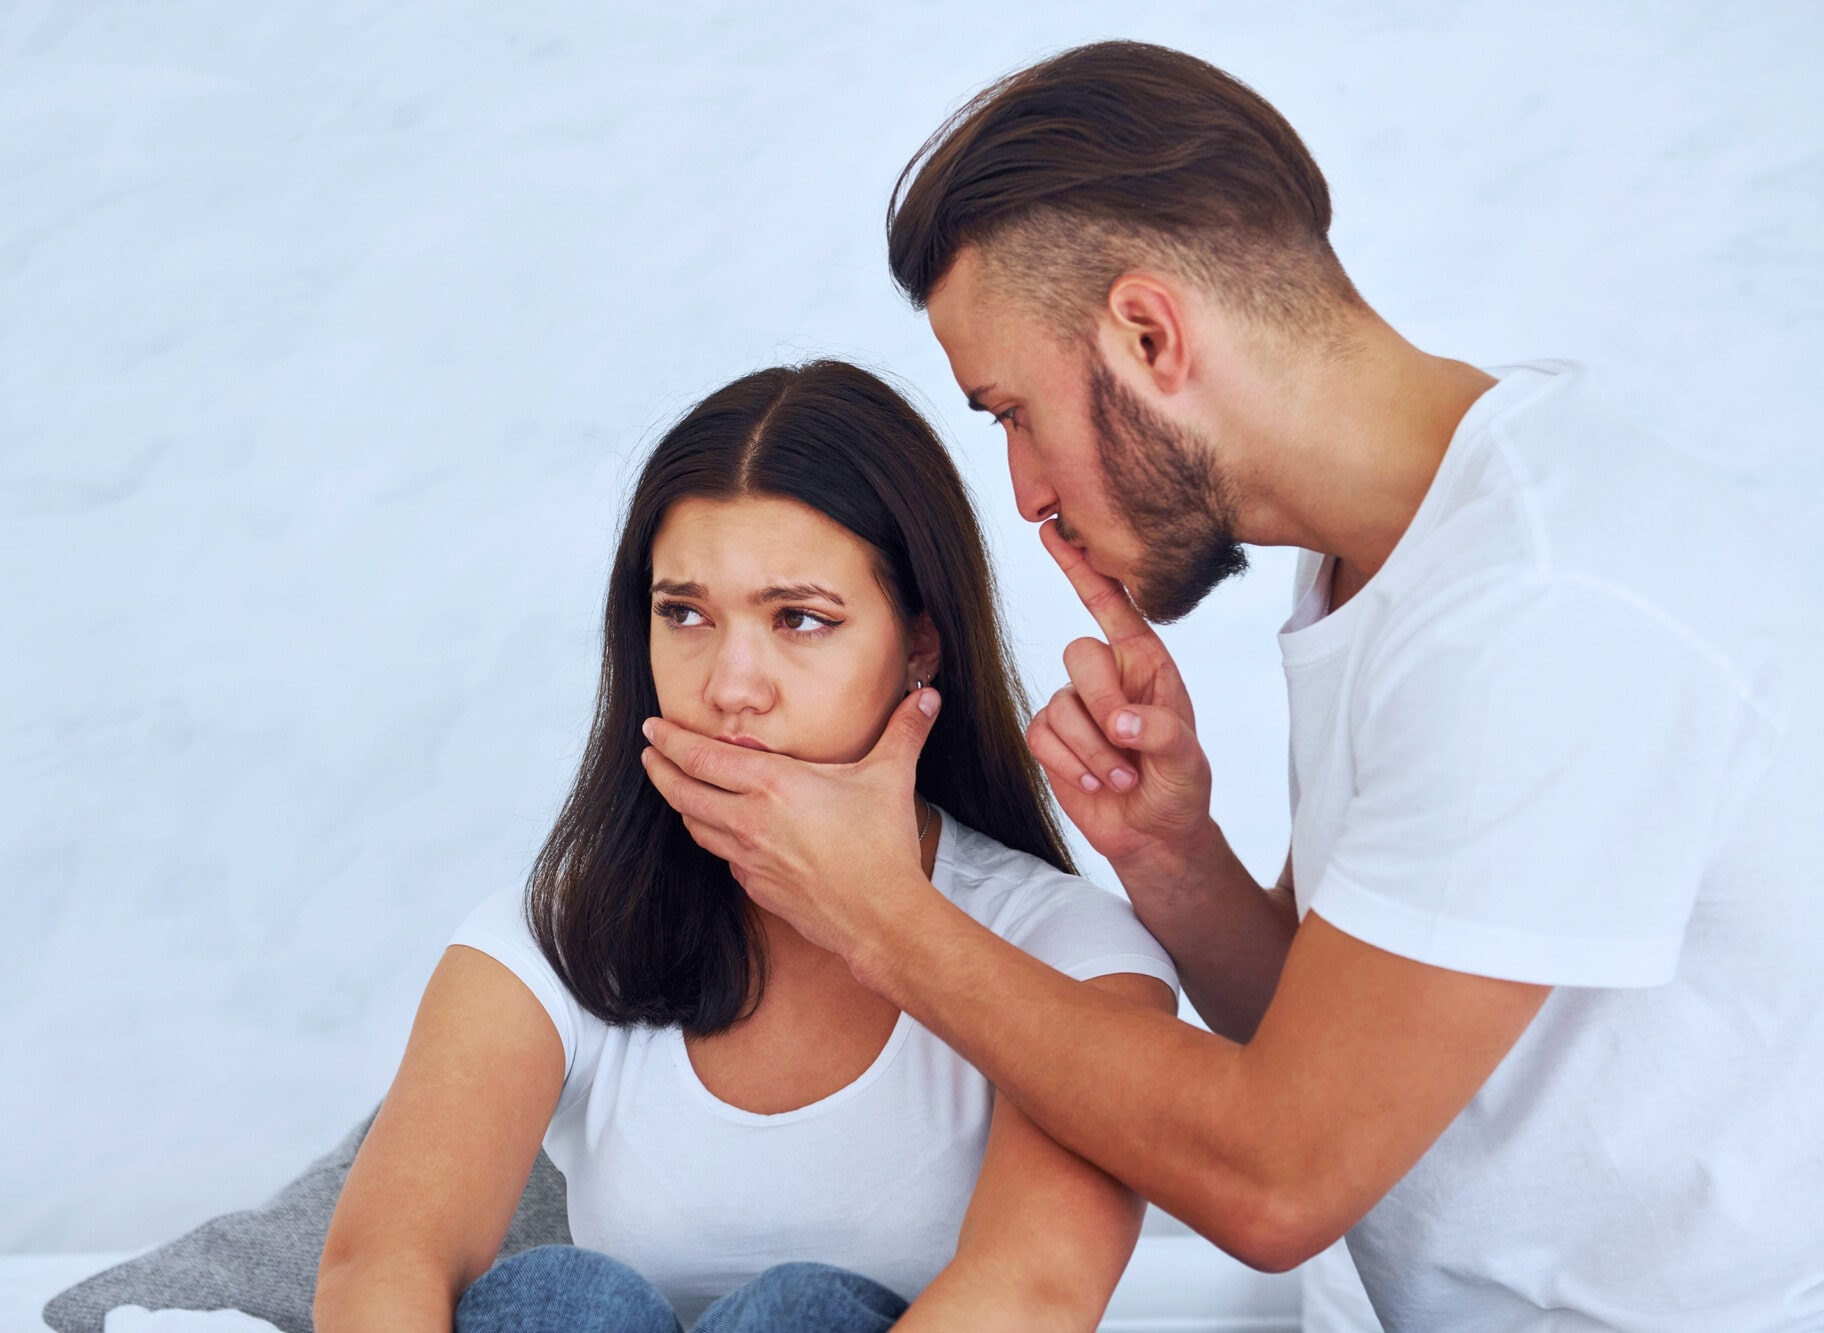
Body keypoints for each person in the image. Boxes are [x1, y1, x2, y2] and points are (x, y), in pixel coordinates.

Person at [639, 41, 1824, 1331]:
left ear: (1147, 333)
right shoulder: (1392, 559)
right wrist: (1178, 864)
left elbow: (1277, 1179)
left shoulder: (1543, 604)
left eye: (1011, 412)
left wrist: (875, 912)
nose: (1025, 492)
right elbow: (1344, 1059)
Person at [312, 360, 1180, 1333]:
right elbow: (384, 1256)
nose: (730, 685)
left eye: (798, 619)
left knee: (794, 1311)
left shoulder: (1069, 951)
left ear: (920, 644)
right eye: (683, 613)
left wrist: (876, 909)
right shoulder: (556, 932)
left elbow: (1034, 1293)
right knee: (559, 1299)